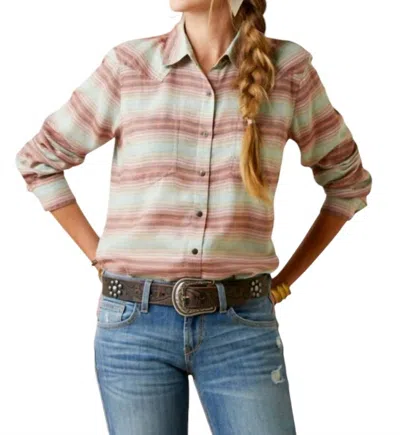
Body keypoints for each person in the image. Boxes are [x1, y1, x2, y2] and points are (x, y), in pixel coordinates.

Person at [15, 0, 372, 434]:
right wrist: (100, 257)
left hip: (242, 327)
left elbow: (347, 182)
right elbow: (39, 161)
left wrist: (284, 282)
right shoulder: (130, 66)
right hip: (132, 329)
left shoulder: (288, 71)